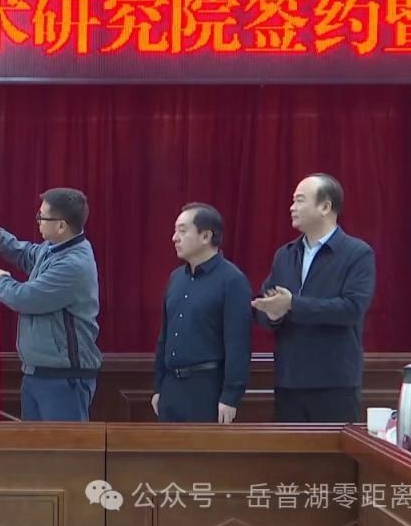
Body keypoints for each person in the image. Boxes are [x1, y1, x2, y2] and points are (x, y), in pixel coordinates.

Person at [0, 188, 101, 421]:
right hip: (38, 372)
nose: (37, 221)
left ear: (61, 226)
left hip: (63, 379)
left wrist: (1, 281)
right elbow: (26, 254)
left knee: (62, 445)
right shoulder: (54, 248)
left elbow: (26, 298)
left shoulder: (74, 265)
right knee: (36, 445)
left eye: (42, 217)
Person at [251, 173, 375, 423]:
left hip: (334, 383)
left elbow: (351, 309)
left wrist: (292, 305)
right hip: (289, 380)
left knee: (332, 450)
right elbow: (264, 304)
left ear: (325, 207)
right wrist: (271, 314)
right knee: (289, 450)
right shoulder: (285, 255)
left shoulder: (357, 253)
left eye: (300, 200)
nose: (292, 207)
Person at [152, 203, 252, 423]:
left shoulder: (232, 280)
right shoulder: (176, 278)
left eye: (182, 231)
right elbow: (164, 337)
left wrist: (230, 396)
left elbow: (238, 344)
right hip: (171, 387)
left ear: (206, 236)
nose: (174, 238)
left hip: (206, 389)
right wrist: (158, 387)